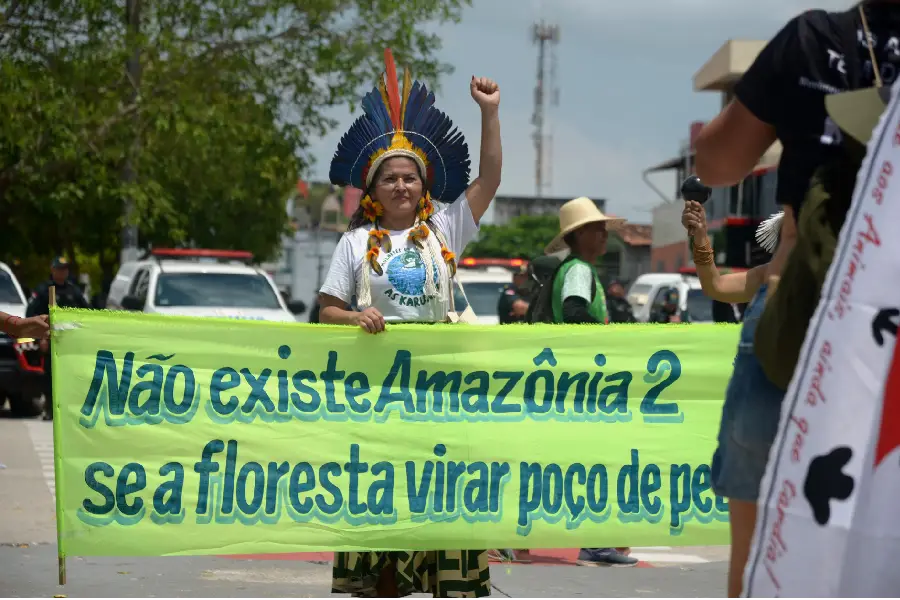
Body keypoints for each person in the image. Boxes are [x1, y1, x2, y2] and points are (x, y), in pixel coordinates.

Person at [317, 48, 502, 598]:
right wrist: (356, 314)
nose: (401, 187)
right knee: (382, 518)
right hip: (377, 399)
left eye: (410, 179)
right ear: (372, 191)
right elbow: (326, 310)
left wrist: (489, 113)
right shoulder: (352, 243)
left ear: (425, 187)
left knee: (445, 503)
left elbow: (490, 178)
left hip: (442, 396)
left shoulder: (445, 229)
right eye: (390, 179)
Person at [680, 200, 782, 599]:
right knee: (749, 546)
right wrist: (700, 237)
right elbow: (716, 286)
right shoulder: (767, 274)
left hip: (803, 424)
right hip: (754, 424)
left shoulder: (833, 277)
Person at [542, 197, 638, 567]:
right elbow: (574, 312)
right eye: (598, 230)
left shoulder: (574, 268)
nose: (604, 236)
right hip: (585, 386)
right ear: (581, 235)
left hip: (574, 382)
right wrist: (610, 336)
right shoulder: (579, 270)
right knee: (596, 463)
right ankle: (597, 542)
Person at [26, 256, 89, 420]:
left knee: (70, 375)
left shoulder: (74, 292)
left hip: (70, 342)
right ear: (52, 270)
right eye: (59, 269)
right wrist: (41, 338)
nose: (62, 272)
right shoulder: (43, 291)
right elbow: (31, 315)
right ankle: (50, 409)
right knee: (50, 377)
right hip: (51, 340)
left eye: (65, 269)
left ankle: (68, 409)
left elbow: (87, 314)